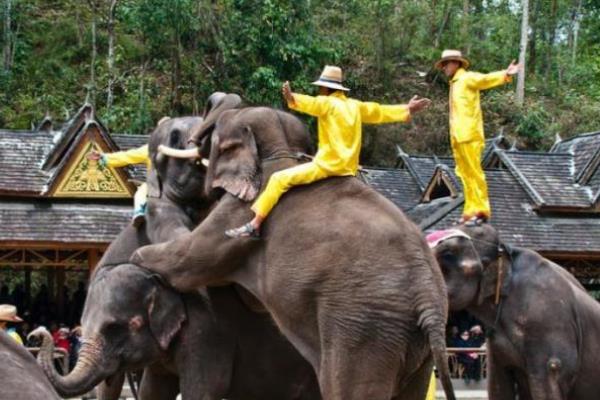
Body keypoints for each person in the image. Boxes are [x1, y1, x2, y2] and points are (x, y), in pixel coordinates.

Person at [225, 65, 431, 238]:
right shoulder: (355, 106)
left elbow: (311, 103)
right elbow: (380, 111)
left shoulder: (326, 103)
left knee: (279, 179)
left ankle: (255, 224)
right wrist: (407, 109)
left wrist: (291, 97)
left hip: (328, 166)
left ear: (325, 88)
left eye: (320, 88)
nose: (319, 91)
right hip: (349, 168)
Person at [435, 49, 520, 224]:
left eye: (446, 64)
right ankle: (470, 210)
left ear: (455, 63)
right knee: (464, 174)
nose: (444, 68)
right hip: (458, 136)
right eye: (442, 65)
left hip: (469, 134)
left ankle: (481, 209)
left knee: (474, 172)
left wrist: (505, 74)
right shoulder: (454, 84)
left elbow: (485, 79)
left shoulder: (467, 78)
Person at [88, 145, 151, 227]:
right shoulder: (154, 148)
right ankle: (139, 213)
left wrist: (104, 157)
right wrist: (104, 157)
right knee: (143, 190)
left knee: (142, 191)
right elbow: (128, 156)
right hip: (160, 186)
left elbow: (127, 156)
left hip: (156, 186)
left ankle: (139, 212)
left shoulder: (151, 148)